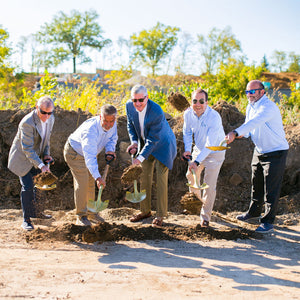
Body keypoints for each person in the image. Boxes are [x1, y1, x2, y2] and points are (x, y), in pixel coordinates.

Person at [226, 80, 289, 233]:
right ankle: (253, 213)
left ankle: (268, 222)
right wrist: (241, 134)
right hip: (260, 150)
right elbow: (249, 127)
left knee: (271, 188)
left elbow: (255, 122)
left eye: (253, 92)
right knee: (257, 183)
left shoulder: (268, 107)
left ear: (262, 92)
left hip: (276, 152)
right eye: (247, 92)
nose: (249, 95)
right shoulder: (250, 107)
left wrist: (235, 132)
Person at [126, 85, 176, 228]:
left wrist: (139, 158)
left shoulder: (156, 111)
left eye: (140, 100)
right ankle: (145, 211)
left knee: (160, 179)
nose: (137, 104)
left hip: (163, 145)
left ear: (147, 98)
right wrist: (134, 143)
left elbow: (153, 140)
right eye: (134, 100)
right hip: (145, 144)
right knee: (144, 176)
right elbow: (130, 125)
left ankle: (160, 215)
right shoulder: (129, 107)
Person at [64, 104, 118, 226]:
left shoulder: (113, 124)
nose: (109, 124)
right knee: (83, 182)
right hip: (75, 153)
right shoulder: (90, 131)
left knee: (90, 184)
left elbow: (112, 138)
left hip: (91, 153)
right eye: (106, 121)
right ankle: (81, 216)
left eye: (112, 121)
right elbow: (89, 158)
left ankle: (91, 213)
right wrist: (98, 178)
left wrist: (110, 150)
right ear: (100, 117)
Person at [8, 96, 55, 231]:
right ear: (36, 107)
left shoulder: (51, 119)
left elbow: (47, 139)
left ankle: (37, 212)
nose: (46, 116)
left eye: (49, 113)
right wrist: (42, 166)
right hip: (22, 159)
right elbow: (27, 149)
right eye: (43, 112)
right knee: (28, 186)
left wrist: (46, 155)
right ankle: (26, 220)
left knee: (40, 184)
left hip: (37, 158)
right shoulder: (27, 123)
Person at [182, 88, 226, 228]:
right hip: (199, 149)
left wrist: (196, 161)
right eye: (195, 101)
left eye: (201, 101)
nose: (198, 104)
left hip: (215, 151)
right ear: (191, 102)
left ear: (207, 102)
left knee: (209, 185)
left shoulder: (214, 117)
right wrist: (188, 150)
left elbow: (210, 145)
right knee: (191, 175)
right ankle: (198, 204)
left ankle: (205, 217)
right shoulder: (188, 114)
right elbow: (187, 132)